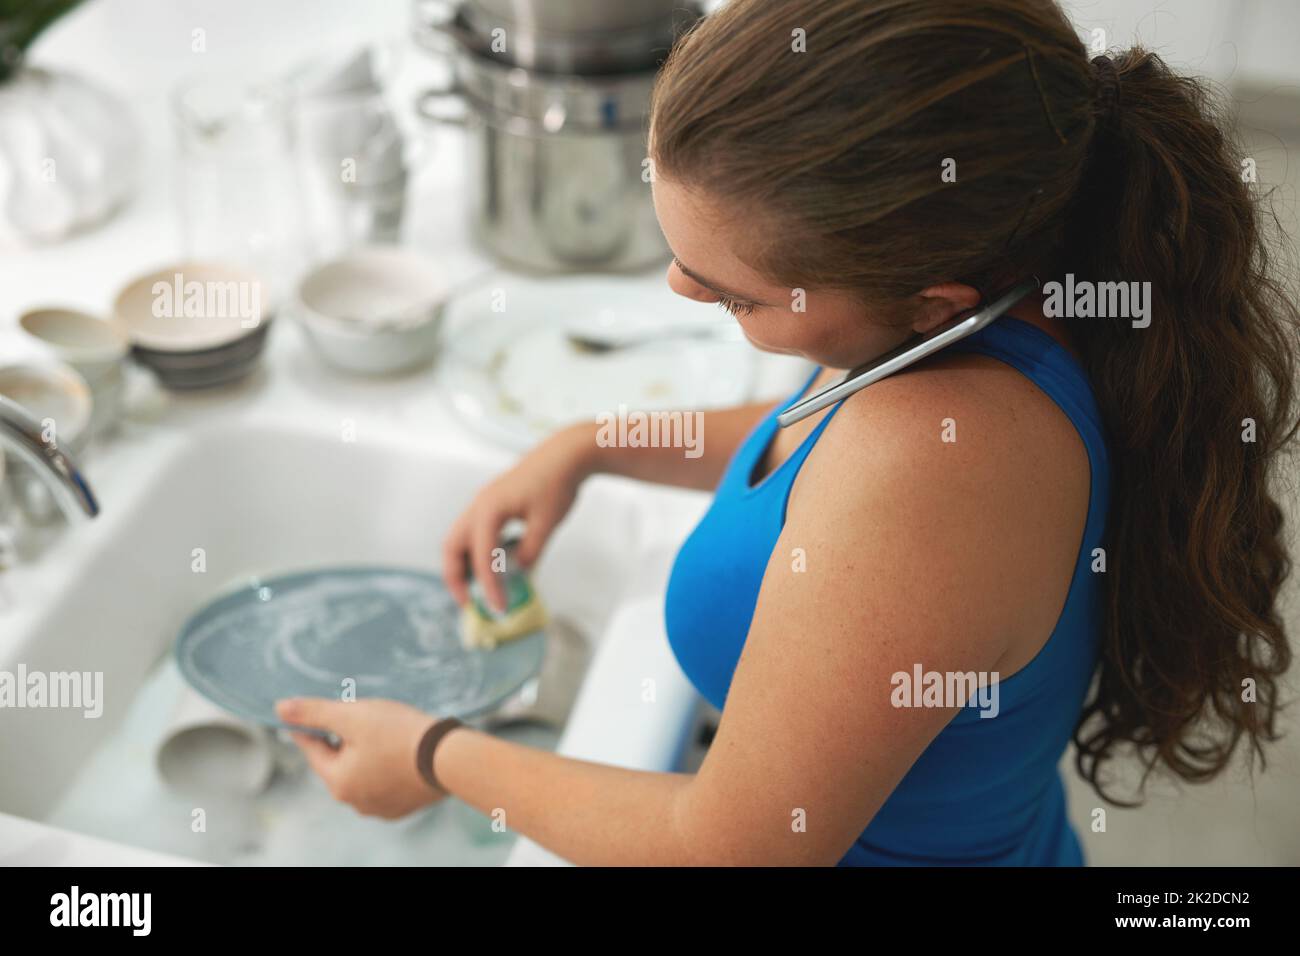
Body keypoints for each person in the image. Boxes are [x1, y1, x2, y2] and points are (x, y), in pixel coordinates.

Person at [277, 0, 1297, 865]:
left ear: (934, 305)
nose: (678, 287)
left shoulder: (937, 458)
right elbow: (802, 444)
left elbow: (732, 844)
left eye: (731, 295)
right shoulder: (981, 298)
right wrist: (591, 441)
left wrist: (429, 755)